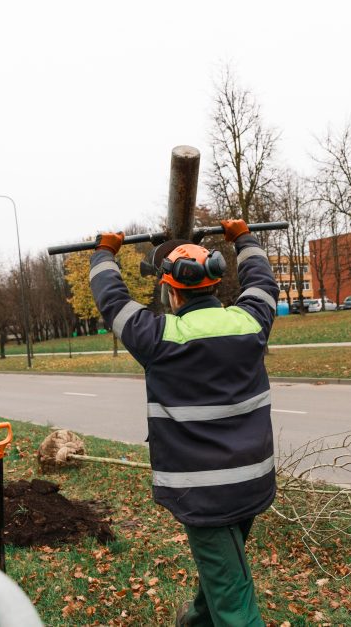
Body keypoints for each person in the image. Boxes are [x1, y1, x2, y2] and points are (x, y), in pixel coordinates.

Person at [90, 219, 278, 626]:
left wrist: (105, 253)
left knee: (233, 599)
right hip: (251, 482)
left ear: (171, 293)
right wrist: (243, 238)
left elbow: (111, 299)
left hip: (202, 493)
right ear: (213, 284)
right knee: (225, 572)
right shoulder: (251, 323)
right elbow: (262, 280)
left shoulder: (157, 338)